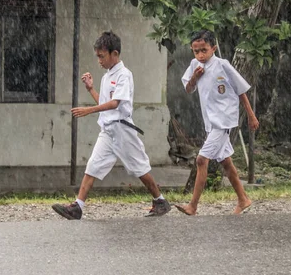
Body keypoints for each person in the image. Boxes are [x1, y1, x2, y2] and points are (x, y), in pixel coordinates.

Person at [52, 31, 171, 220]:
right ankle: (77, 207)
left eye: (102, 56)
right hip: (108, 130)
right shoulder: (107, 76)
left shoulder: (124, 75)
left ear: (114, 54)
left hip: (122, 129)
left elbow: (115, 104)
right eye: (98, 56)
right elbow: (105, 102)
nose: (99, 60)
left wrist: (89, 110)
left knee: (139, 167)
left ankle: (160, 200)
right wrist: (91, 89)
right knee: (92, 166)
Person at [175, 29, 259, 216]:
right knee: (226, 163)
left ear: (213, 48)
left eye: (204, 50)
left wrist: (251, 115)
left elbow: (240, 90)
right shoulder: (194, 65)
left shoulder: (223, 65)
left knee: (201, 160)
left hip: (224, 120)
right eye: (196, 51)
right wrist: (195, 77)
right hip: (210, 122)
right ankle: (243, 199)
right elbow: (189, 89)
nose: (200, 55)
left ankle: (193, 206)